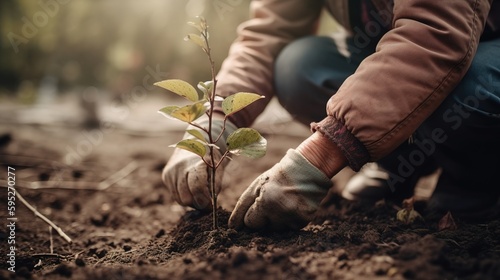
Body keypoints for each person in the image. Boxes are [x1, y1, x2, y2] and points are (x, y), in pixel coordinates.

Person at [163, 0, 500, 231]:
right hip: (405, 55)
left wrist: (322, 153)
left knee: (476, 88)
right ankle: (400, 164)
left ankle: (472, 178)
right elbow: (268, 36)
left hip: (480, 55)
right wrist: (216, 120)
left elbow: (435, 35)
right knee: (298, 66)